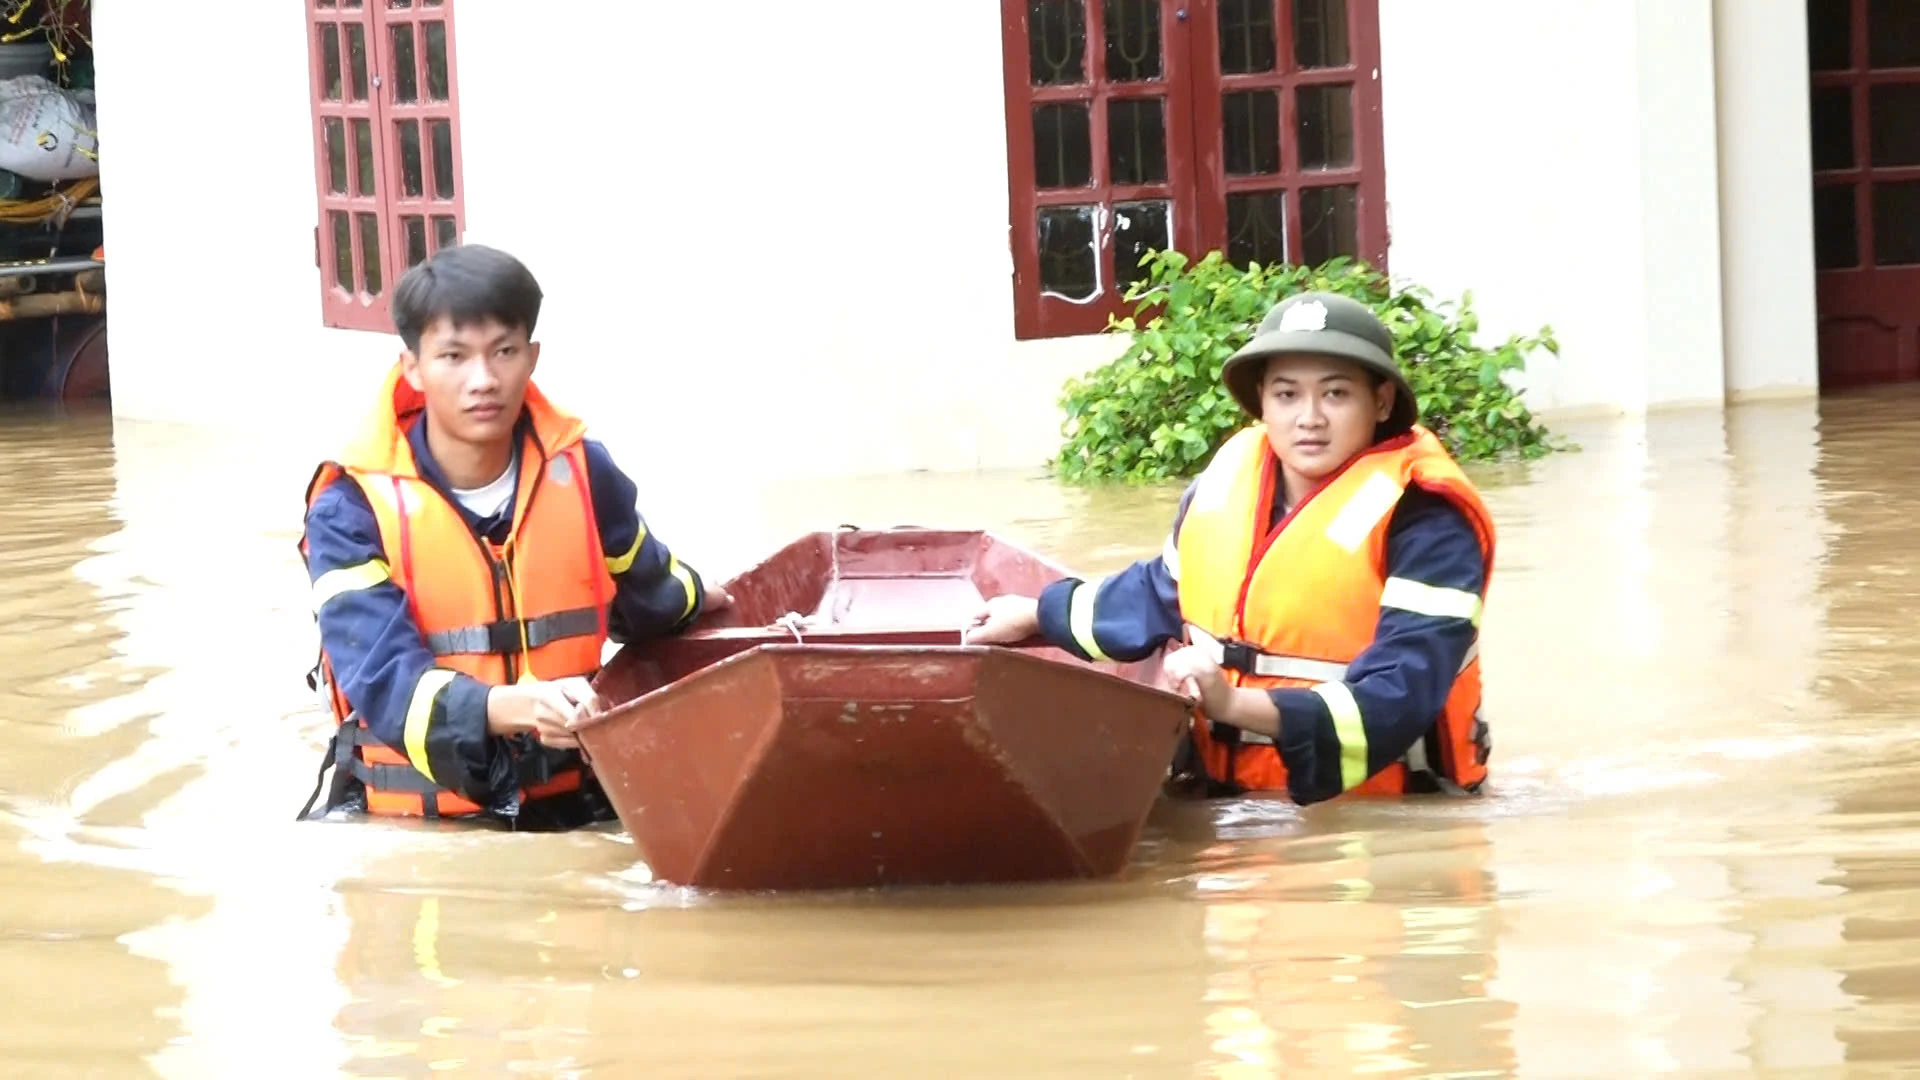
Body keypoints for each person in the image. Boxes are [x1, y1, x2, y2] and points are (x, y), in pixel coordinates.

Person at [968, 291, 1495, 804]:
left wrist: (1234, 704)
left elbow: (1401, 692)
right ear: (1262, 399)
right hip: (1230, 793)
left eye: (1336, 394)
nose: (1309, 417)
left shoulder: (1429, 520)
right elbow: (1159, 593)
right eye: (1287, 395)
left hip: (1377, 810)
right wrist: (1038, 614)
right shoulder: (1227, 482)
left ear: (1381, 401)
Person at [296, 244, 729, 829]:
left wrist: (702, 599)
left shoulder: (585, 472)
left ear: (532, 357)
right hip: (425, 827)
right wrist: (509, 707)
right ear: (412, 368)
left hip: (578, 802)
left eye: (504, 351)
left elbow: (650, 588)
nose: (483, 380)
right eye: (454, 356)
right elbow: (384, 681)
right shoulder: (349, 508)